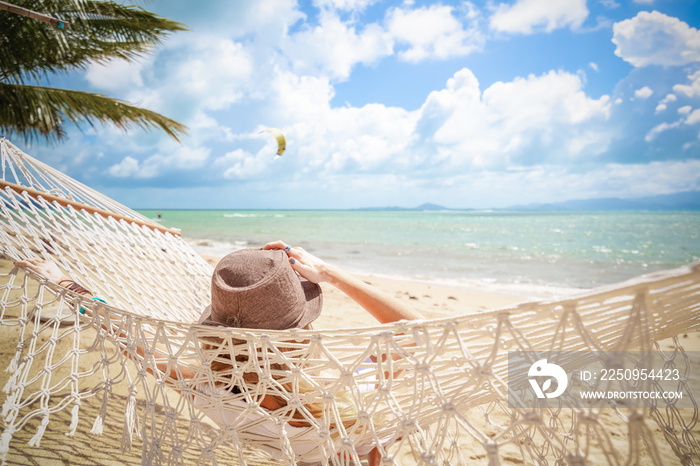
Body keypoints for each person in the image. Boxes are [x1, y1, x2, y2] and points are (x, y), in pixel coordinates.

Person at [14, 240, 423, 465]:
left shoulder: (212, 393)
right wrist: (331, 274)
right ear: (301, 334)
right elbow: (416, 332)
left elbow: (129, 336)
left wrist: (69, 287)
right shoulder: (349, 392)